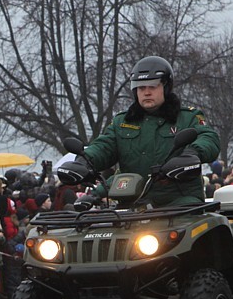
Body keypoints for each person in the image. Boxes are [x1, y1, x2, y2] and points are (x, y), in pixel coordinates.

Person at [60, 56, 220, 207]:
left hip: (180, 202)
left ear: (165, 87)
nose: (147, 92)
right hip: (133, 204)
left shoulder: (187, 118)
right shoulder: (122, 123)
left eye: (153, 86)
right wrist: (84, 161)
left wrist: (193, 153)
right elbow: (103, 146)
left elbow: (208, 138)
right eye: (141, 87)